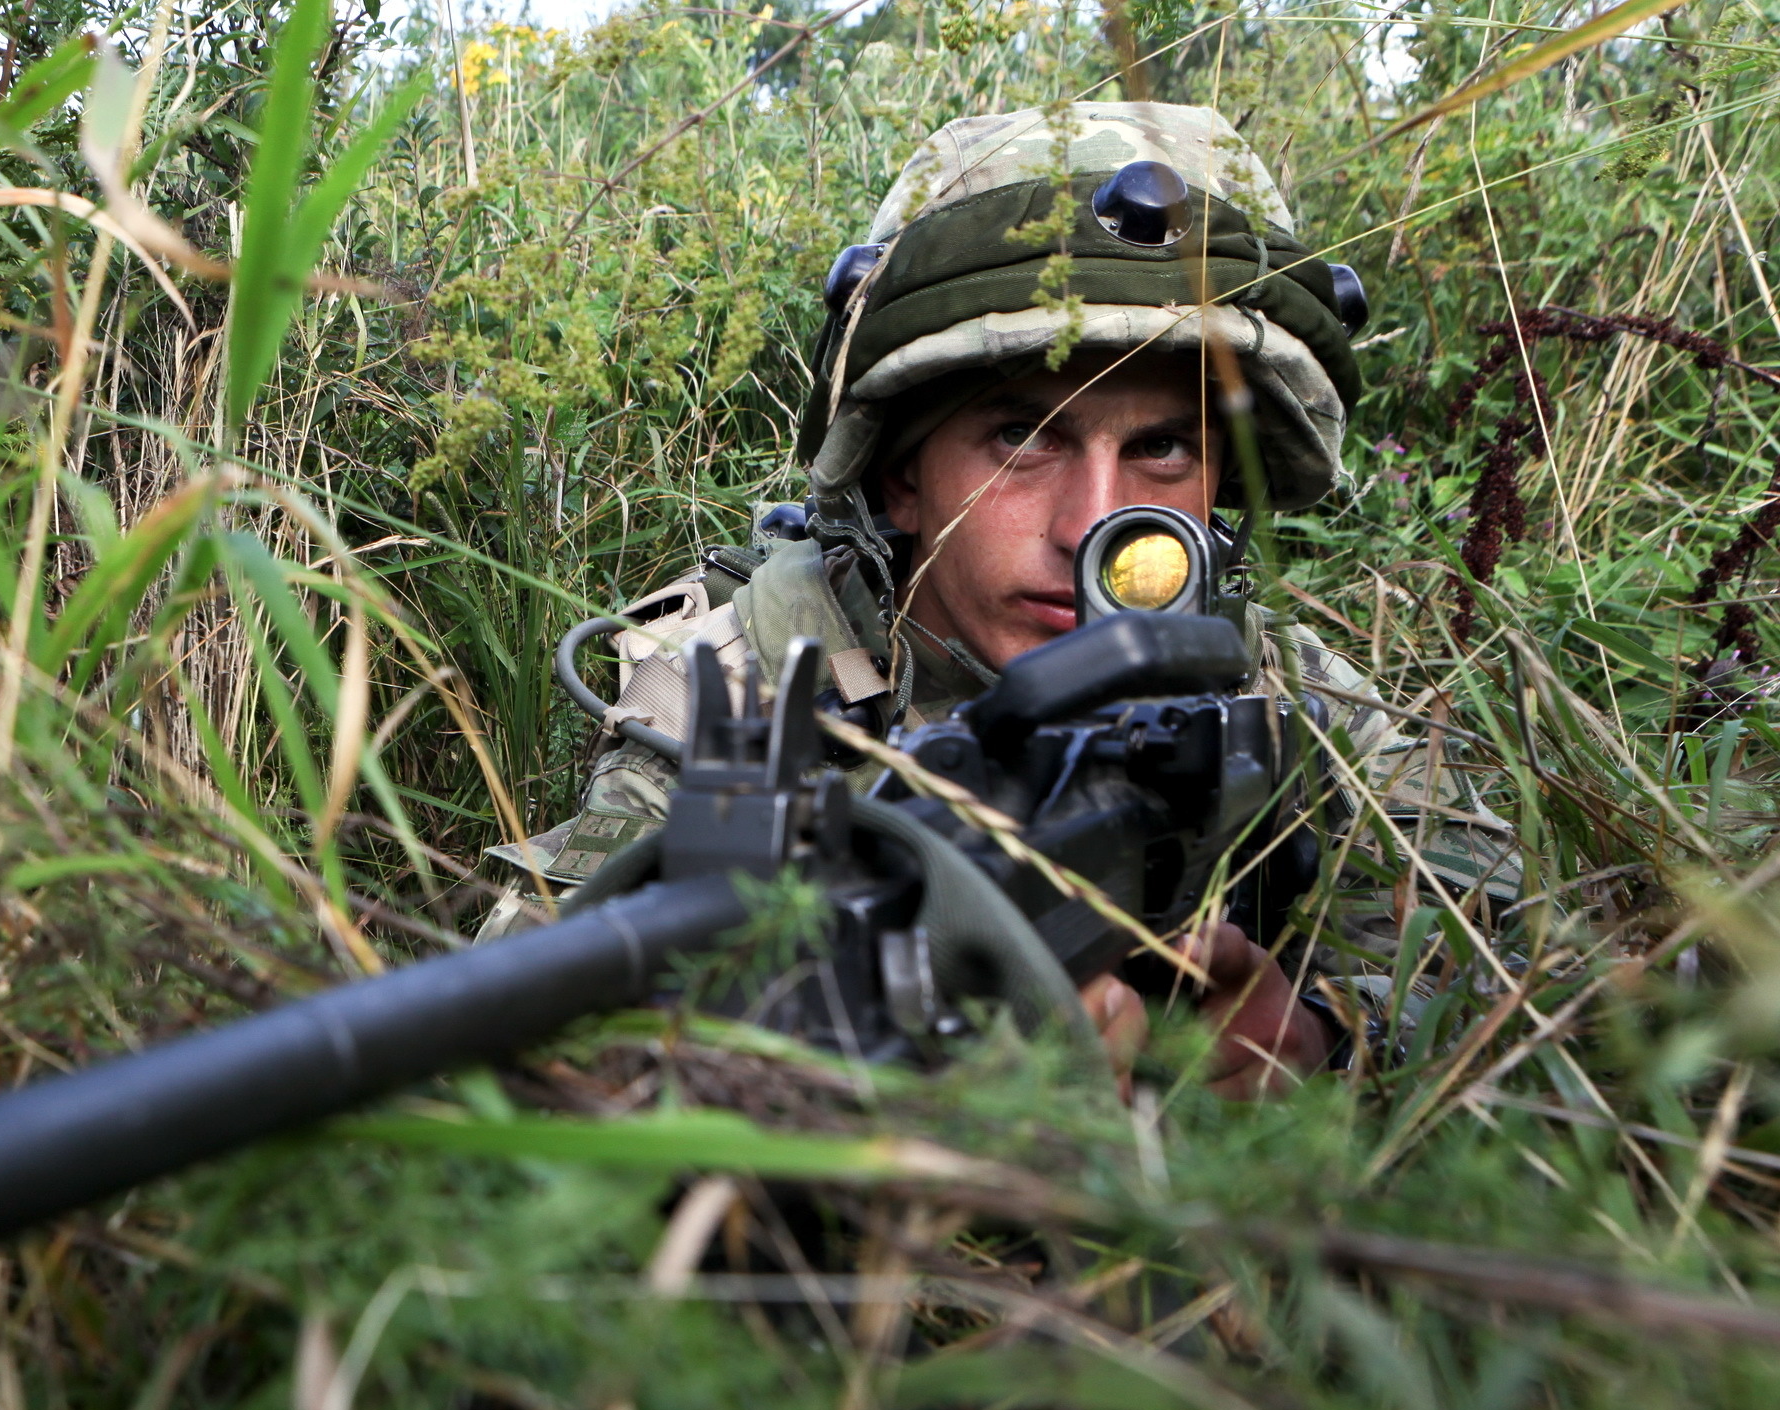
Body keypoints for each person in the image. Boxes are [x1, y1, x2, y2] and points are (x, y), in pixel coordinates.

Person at [486, 102, 1518, 1094]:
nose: (1093, 527)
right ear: (901, 476)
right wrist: (818, 1068)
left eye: (1161, 447)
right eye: (1023, 439)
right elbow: (526, 1032)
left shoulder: (1288, 687)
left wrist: (1333, 1036)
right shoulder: (742, 685)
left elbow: (1531, 964)